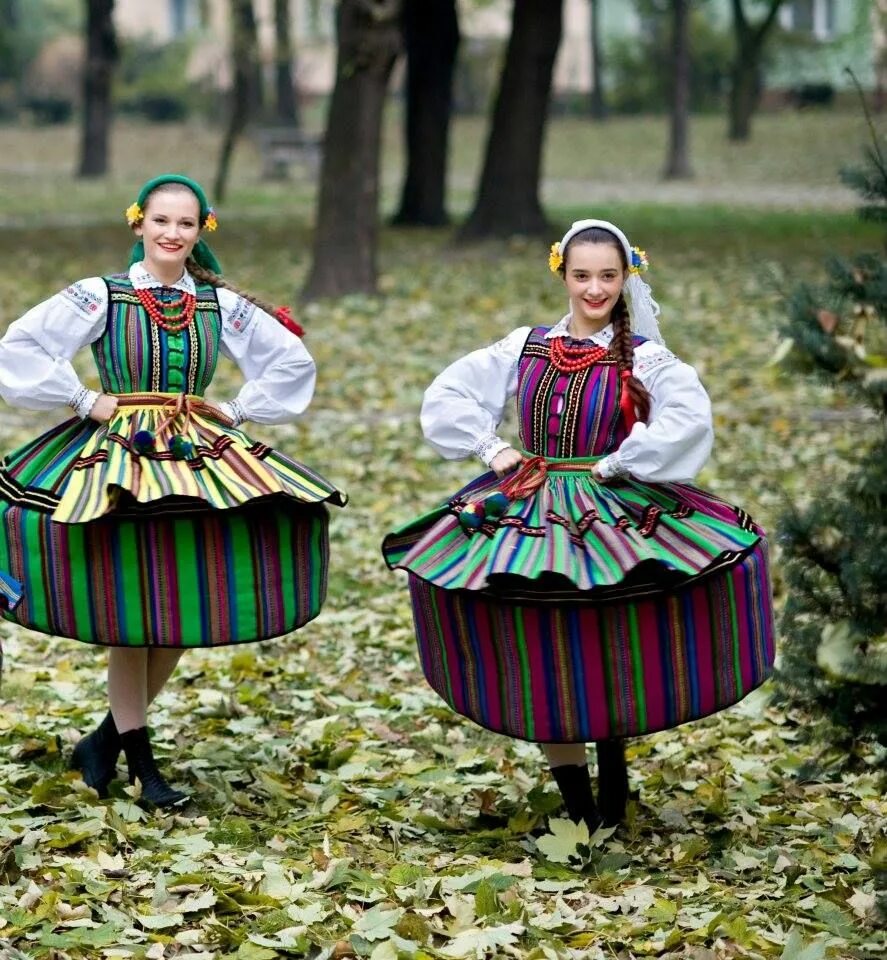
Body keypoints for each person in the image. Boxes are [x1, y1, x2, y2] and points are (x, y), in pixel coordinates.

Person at [383, 219, 775, 831]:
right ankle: (579, 805)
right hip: (532, 504)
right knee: (540, 637)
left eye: (608, 277)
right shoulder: (524, 346)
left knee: (611, 628)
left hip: (612, 503)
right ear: (562, 273)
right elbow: (449, 393)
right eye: (583, 275)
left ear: (626, 278)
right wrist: (493, 449)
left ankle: (614, 776)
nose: (595, 289)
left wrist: (620, 460)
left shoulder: (647, 357)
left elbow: (688, 419)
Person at [0, 174, 346, 808]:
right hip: (123, 455)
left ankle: (104, 741)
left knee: (180, 600)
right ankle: (143, 766)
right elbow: (19, 346)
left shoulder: (220, 305)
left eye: (186, 224)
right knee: (134, 608)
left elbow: (292, 360)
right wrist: (85, 399)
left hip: (195, 455)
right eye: (161, 221)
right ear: (139, 224)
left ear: (200, 231)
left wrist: (237, 412)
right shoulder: (100, 296)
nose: (172, 233)